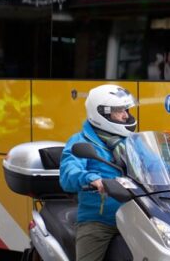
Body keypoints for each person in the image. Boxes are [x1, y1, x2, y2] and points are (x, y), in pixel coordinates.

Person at [60, 84, 137, 261]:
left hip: (135, 215)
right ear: (102, 113)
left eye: (126, 109)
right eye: (119, 110)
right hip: (100, 219)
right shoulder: (81, 142)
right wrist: (92, 179)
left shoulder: (131, 141)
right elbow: (69, 172)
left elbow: (153, 164)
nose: (126, 115)